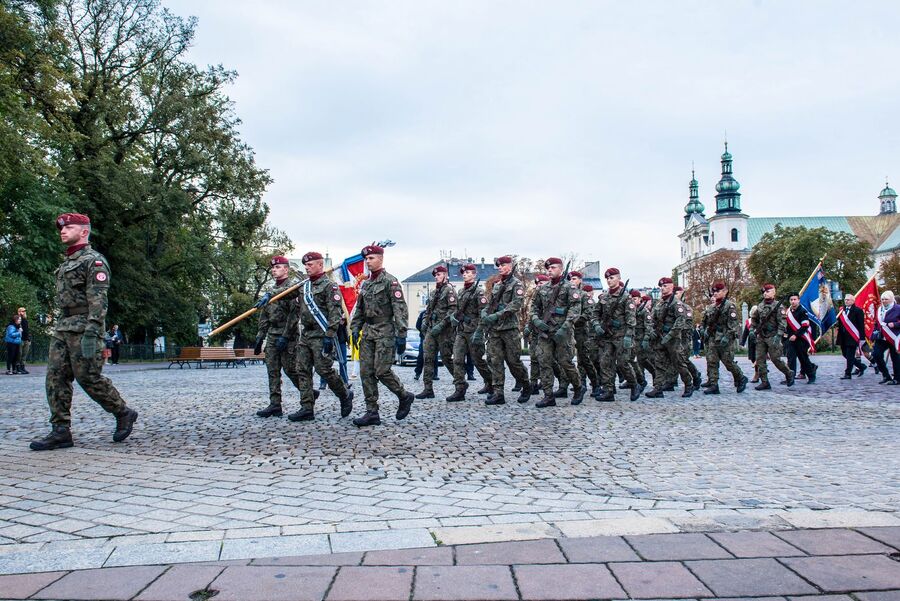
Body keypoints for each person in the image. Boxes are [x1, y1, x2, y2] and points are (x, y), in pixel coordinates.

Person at [30, 213, 137, 451]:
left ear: (84, 231)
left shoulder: (94, 261)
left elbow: (99, 301)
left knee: (88, 377)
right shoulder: (66, 262)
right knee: (55, 377)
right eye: (62, 228)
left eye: (69, 227)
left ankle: (123, 412)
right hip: (63, 326)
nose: (63, 231)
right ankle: (60, 430)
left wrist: (93, 331)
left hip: (84, 326)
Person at [350, 244, 415, 427]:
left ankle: (404, 395)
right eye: (366, 259)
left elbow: (400, 309)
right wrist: (354, 329)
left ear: (380, 259)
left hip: (385, 331)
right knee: (366, 372)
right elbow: (359, 310)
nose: (368, 262)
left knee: (382, 370)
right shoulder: (366, 284)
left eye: (371, 258)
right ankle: (372, 412)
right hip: (368, 332)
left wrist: (401, 334)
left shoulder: (390, 282)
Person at [289, 251, 354, 422]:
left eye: (310, 265)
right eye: (305, 265)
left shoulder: (329, 286)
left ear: (320, 265)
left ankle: (345, 394)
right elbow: (286, 292)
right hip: (306, 334)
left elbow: (335, 313)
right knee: (302, 369)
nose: (307, 267)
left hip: (322, 333)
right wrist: (269, 295)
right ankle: (306, 407)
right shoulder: (304, 286)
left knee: (323, 369)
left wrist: (329, 335)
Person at [254, 255, 305, 418]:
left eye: (277, 267)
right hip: (272, 334)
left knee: (291, 370)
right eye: (273, 268)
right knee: (272, 370)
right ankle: (275, 404)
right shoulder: (269, 291)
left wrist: (286, 336)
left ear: (286, 269)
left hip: (288, 335)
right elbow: (265, 315)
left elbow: (294, 315)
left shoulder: (292, 288)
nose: (274, 270)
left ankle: (308, 393)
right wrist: (260, 336)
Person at [530, 257, 585, 407]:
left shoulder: (569, 287)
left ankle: (578, 387)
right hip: (545, 331)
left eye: (553, 267)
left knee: (565, 363)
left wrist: (565, 327)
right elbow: (534, 307)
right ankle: (548, 396)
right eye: (548, 268)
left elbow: (575, 309)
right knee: (544, 362)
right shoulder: (542, 288)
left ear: (561, 269)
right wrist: (535, 319)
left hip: (563, 332)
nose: (550, 270)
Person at [483, 256, 530, 405]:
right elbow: (491, 303)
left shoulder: (517, 284)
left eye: (503, 265)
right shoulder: (497, 285)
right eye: (499, 265)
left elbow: (516, 304)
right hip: (495, 329)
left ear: (510, 266)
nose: (500, 267)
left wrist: (497, 315)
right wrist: (485, 312)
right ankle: (498, 393)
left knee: (513, 361)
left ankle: (526, 385)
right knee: (495, 361)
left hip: (509, 329)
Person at [592, 267, 642, 402]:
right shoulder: (604, 297)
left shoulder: (626, 298)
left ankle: (634, 385)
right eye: (607, 278)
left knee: (623, 363)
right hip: (607, 336)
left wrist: (628, 336)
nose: (609, 280)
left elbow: (631, 319)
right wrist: (596, 325)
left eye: (612, 277)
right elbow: (595, 314)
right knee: (605, 362)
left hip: (621, 335)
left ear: (619, 278)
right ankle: (608, 391)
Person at [447, 263, 493, 402]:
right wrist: (454, 317)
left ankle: (491, 382)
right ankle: (460, 389)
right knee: (457, 359)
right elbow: (458, 309)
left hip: (473, 331)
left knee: (477, 360)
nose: (465, 275)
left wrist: (479, 330)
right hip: (461, 331)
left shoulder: (479, 292)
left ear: (474, 274)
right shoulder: (461, 291)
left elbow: (483, 313)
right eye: (463, 273)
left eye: (468, 273)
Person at [646, 277, 693, 398]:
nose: (662, 288)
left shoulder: (676, 303)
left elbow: (680, 320)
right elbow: (651, 319)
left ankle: (689, 384)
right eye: (661, 286)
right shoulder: (659, 303)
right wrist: (651, 331)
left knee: (679, 363)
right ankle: (658, 388)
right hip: (660, 338)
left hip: (673, 339)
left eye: (665, 286)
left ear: (672, 287)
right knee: (659, 364)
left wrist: (670, 335)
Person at [416, 265, 457, 399]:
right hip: (431, 330)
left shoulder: (449, 290)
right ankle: (428, 389)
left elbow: (453, 311)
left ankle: (460, 384)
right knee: (428, 358)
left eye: (439, 275)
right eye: (435, 275)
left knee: (446, 359)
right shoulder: (434, 292)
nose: (436, 277)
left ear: (445, 275)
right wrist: (424, 322)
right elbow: (428, 310)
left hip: (444, 331)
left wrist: (441, 325)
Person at [700, 281, 747, 394]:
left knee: (728, 362)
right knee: (712, 361)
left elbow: (733, 325)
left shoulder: (729, 306)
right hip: (712, 338)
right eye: (714, 292)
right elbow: (706, 322)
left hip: (725, 338)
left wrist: (727, 337)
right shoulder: (711, 307)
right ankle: (714, 385)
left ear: (725, 292)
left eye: (718, 291)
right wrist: (704, 331)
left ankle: (740, 377)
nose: (715, 293)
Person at [750, 284, 794, 390]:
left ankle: (788, 373)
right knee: (760, 360)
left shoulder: (779, 306)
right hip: (761, 336)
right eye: (764, 292)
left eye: (768, 291)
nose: (765, 293)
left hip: (773, 336)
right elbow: (754, 319)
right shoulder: (760, 306)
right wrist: (752, 330)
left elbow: (782, 323)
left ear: (774, 293)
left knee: (775, 359)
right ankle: (765, 382)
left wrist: (779, 335)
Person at [568, 272, 601, 398]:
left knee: (584, 359)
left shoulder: (584, 296)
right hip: (568, 330)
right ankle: (578, 384)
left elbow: (589, 313)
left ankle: (596, 384)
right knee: (566, 359)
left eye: (574, 279)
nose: (571, 281)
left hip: (580, 330)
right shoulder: (566, 294)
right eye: (570, 279)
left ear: (580, 280)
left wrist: (575, 320)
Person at [784, 293, 818, 384]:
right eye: (791, 300)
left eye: (795, 299)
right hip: (791, 339)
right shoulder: (788, 312)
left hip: (801, 338)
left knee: (803, 358)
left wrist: (796, 335)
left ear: (798, 300)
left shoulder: (803, 311)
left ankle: (811, 376)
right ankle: (790, 378)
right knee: (790, 358)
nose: (793, 301)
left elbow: (805, 325)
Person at [837, 293, 867, 379]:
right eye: (845, 299)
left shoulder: (858, 311)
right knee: (845, 354)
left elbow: (861, 325)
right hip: (843, 336)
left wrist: (862, 338)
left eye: (848, 300)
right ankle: (861, 366)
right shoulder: (842, 310)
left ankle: (848, 373)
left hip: (853, 336)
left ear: (853, 301)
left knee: (850, 355)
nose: (846, 301)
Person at [872, 290, 900, 384]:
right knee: (876, 355)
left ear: (891, 299)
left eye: (886, 299)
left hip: (894, 337)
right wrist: (874, 334)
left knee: (895, 358)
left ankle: (897, 378)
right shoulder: (880, 309)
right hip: (882, 337)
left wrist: (895, 324)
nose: (884, 301)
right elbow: (877, 323)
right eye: (882, 299)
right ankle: (886, 375)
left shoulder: (898, 308)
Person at [15, 307, 30, 374]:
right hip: (20, 339)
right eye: (22, 311)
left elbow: (27, 330)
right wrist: (19, 316)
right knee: (19, 354)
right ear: (19, 312)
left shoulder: (25, 320)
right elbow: (15, 327)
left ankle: (22, 367)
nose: (24, 312)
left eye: (24, 311)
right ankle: (17, 368)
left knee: (24, 354)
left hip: (26, 340)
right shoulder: (18, 319)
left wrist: (29, 339)